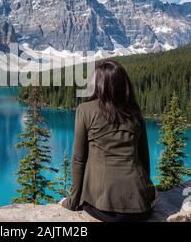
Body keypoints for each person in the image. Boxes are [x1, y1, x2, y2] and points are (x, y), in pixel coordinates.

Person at [60, 60, 157, 222]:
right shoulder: (134, 111)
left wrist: (72, 201)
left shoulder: (85, 110)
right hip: (141, 208)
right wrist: (144, 194)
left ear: (98, 84)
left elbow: (78, 160)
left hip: (103, 207)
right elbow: (144, 159)